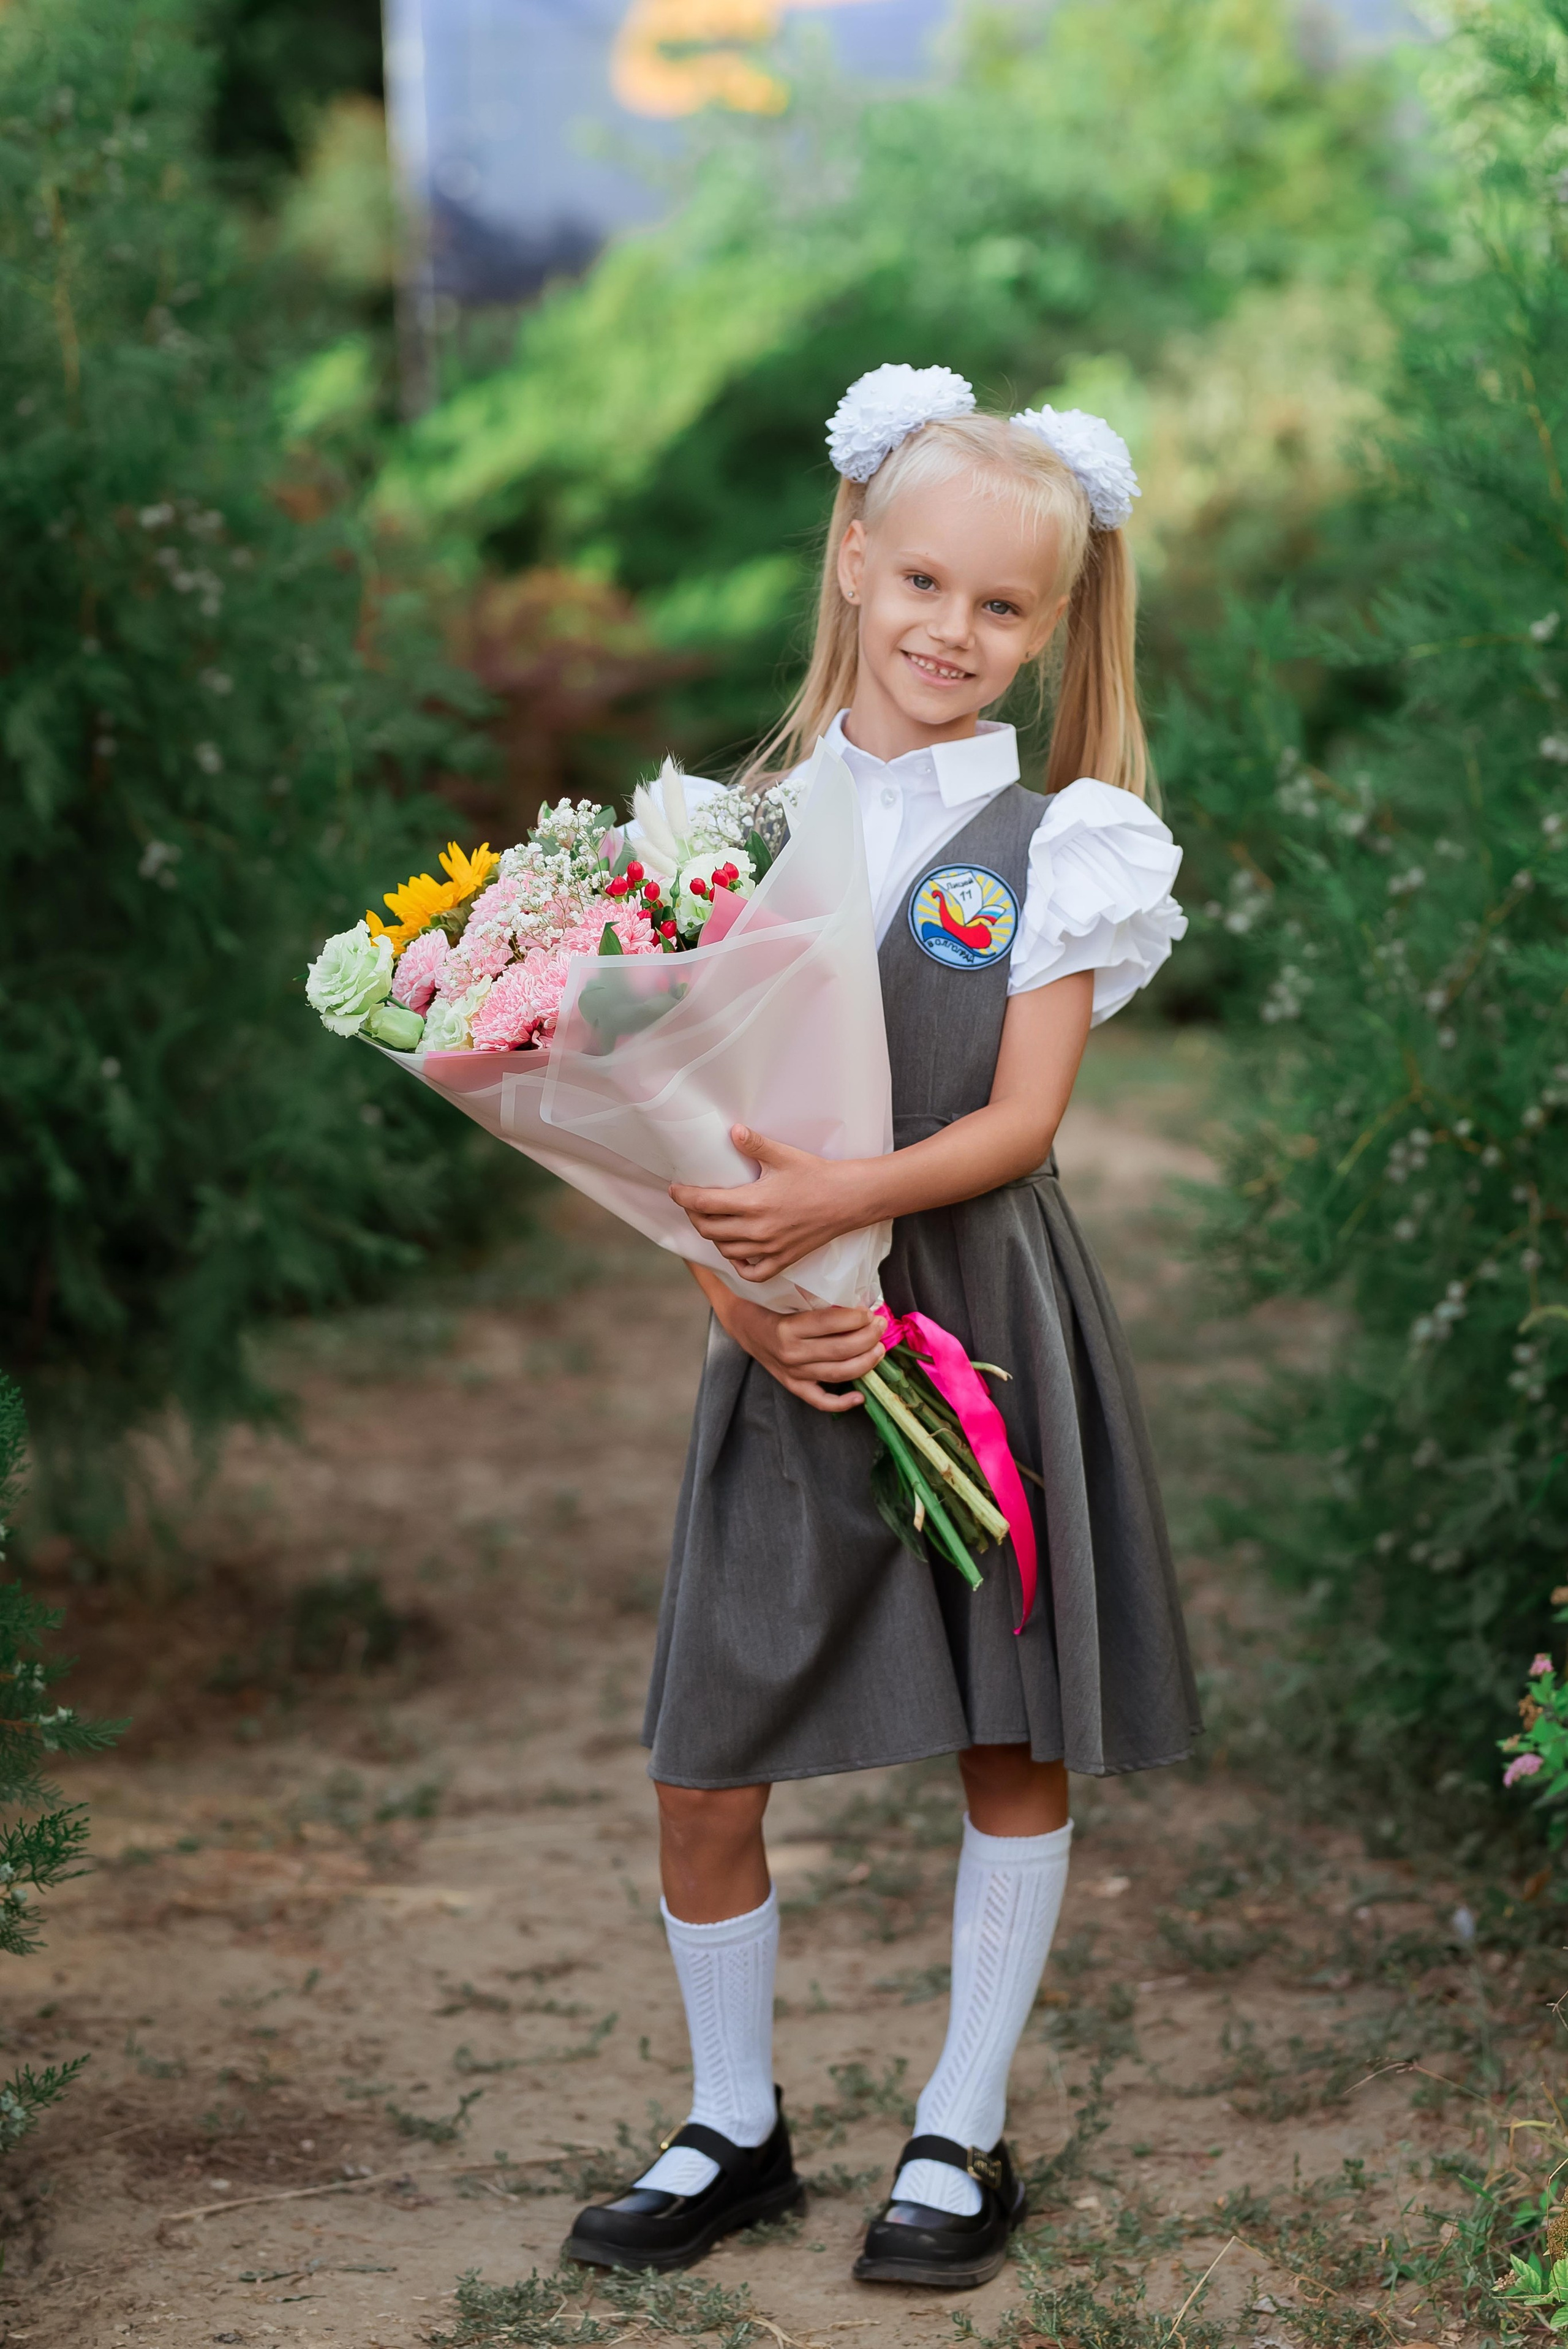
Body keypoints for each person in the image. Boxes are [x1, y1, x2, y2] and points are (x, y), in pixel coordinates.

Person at [562, 364, 1200, 2290]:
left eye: (1004, 607)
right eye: (921, 580)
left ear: (1055, 626)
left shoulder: (1066, 838)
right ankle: (732, 2121)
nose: (953, 631)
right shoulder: (723, 830)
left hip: (987, 1320)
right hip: (790, 1336)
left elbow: (1021, 1124)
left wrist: (844, 1204)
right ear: (850, 558)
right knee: (704, 1749)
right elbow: (683, 1133)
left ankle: (962, 2125)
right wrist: (739, 1297)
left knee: (1010, 1733)